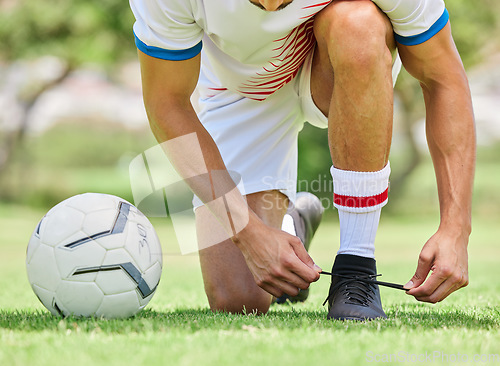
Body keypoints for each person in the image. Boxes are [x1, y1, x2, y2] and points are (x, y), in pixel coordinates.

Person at [129, 0, 475, 320]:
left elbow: (443, 77)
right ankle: (290, 225)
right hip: (241, 92)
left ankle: (356, 266)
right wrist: (248, 234)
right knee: (238, 300)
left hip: (334, 66)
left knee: (358, 23)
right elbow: (167, 104)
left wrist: (456, 229)